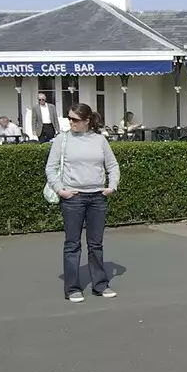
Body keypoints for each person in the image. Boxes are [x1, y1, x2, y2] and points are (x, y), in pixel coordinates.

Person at [46, 103, 120, 302]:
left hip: (97, 197)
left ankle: (100, 285)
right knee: (72, 244)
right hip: (73, 198)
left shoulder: (99, 140)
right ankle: (72, 289)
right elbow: (51, 168)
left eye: (75, 120)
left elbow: (112, 165)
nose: (71, 122)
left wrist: (112, 186)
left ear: (87, 121)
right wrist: (61, 190)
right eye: (69, 118)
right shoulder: (62, 140)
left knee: (96, 244)